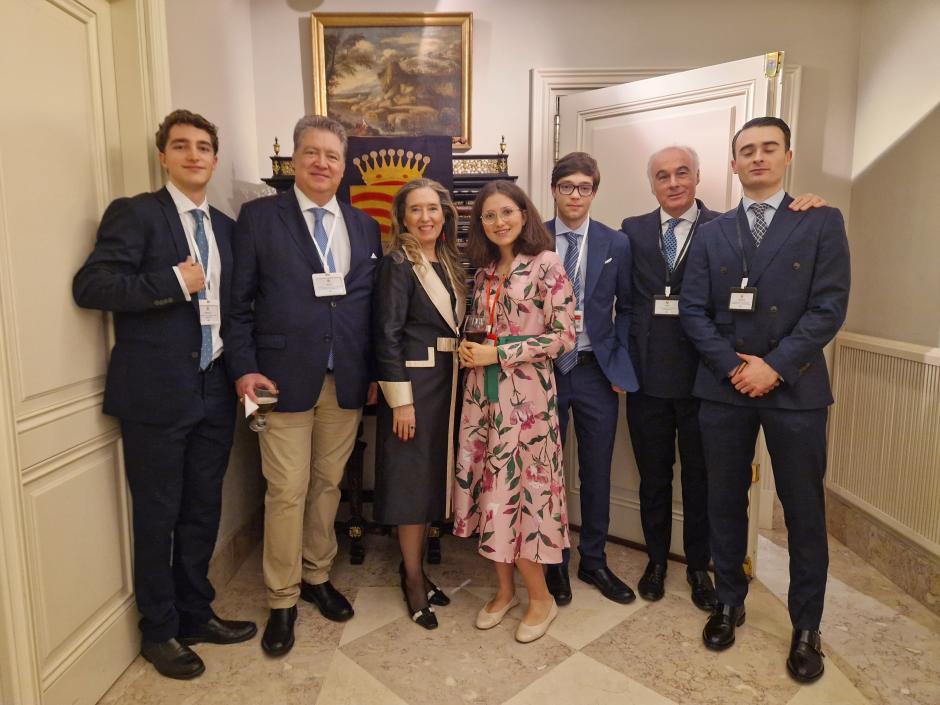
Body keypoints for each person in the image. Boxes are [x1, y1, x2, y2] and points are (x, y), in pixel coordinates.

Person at [72, 110, 256, 680]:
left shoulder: (227, 227)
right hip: (155, 394)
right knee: (158, 514)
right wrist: (172, 282)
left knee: (203, 507)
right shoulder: (137, 214)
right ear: (164, 156)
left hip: (214, 386)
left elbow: (234, 309)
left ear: (215, 158)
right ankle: (159, 631)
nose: (194, 155)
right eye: (182, 146)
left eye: (203, 147)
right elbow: (92, 286)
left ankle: (196, 613)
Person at [680, 117, 850, 683]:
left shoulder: (821, 220)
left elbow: (828, 307)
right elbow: (693, 311)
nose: (757, 158)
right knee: (723, 498)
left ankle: (806, 626)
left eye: (768, 149)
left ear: (787, 156)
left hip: (794, 385)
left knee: (803, 510)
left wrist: (773, 367)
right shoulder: (711, 231)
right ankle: (728, 601)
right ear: (732, 164)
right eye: (746, 151)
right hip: (724, 387)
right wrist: (735, 367)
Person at [623, 146, 828, 609]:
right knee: (654, 477)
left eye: (681, 173)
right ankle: (657, 560)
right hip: (652, 379)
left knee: (704, 481)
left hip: (708, 379)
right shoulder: (632, 231)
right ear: (651, 184)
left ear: (698, 177)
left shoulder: (723, 227)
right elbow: (624, 304)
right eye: (661, 176)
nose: (672, 183)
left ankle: (700, 567)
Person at [225, 115, 382, 657]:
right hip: (274, 381)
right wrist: (244, 370)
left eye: (332, 155)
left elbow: (366, 308)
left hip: (345, 382)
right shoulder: (258, 218)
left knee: (327, 486)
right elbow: (237, 305)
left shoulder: (364, 227)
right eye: (311, 153)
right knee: (285, 490)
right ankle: (282, 599)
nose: (321, 163)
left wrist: (372, 375)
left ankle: (317, 577)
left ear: (344, 166)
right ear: (294, 160)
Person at [453, 180, 576, 643]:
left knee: (522, 496)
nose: (499, 221)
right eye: (489, 215)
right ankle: (504, 592)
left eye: (507, 212)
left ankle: (540, 598)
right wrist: (473, 351)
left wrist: (500, 352)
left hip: (525, 404)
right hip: (481, 399)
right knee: (492, 493)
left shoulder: (546, 264)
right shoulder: (484, 271)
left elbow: (564, 335)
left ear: (524, 215)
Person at [542, 152, 639, 607]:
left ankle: (593, 559)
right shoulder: (531, 238)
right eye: (567, 186)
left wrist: (617, 359)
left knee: (597, 468)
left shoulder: (615, 243)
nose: (575, 194)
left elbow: (630, 308)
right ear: (555, 190)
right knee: (549, 471)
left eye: (584, 187)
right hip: (543, 374)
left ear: (594, 192)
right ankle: (553, 562)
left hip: (595, 370)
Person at [372, 179, 466, 629]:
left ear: (445, 215)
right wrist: (400, 402)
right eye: (416, 210)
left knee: (430, 477)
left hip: (447, 386)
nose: (426, 217)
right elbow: (386, 334)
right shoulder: (397, 263)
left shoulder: (448, 262)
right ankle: (411, 577)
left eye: (434, 208)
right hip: (415, 386)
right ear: (403, 217)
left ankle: (418, 570)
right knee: (410, 481)